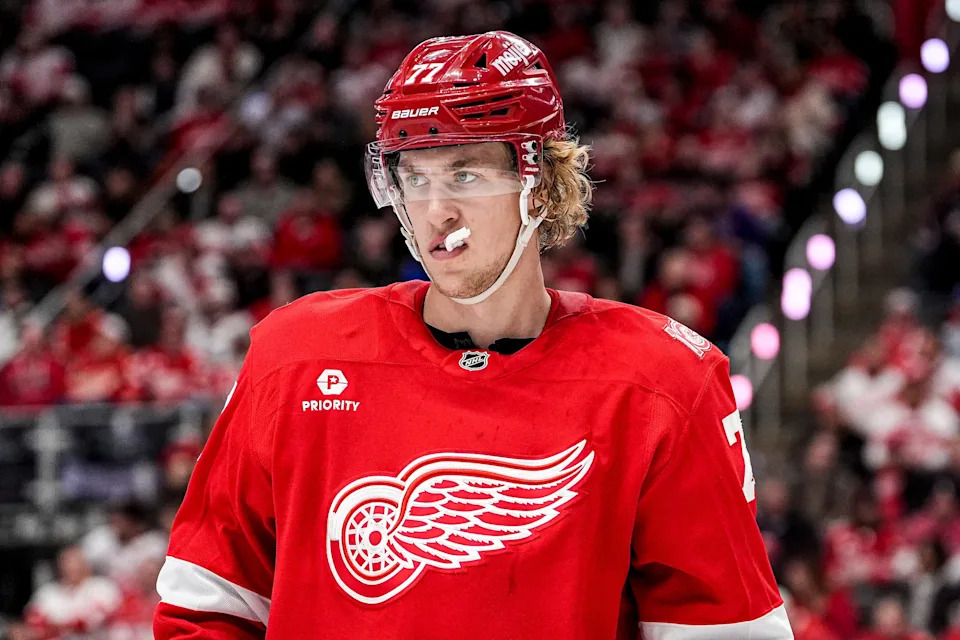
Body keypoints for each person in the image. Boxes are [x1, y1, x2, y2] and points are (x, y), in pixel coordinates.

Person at [154, 31, 791, 639]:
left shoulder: (664, 383)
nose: (436, 210)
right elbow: (208, 606)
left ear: (540, 183)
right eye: (416, 177)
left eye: (464, 174)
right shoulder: (295, 355)